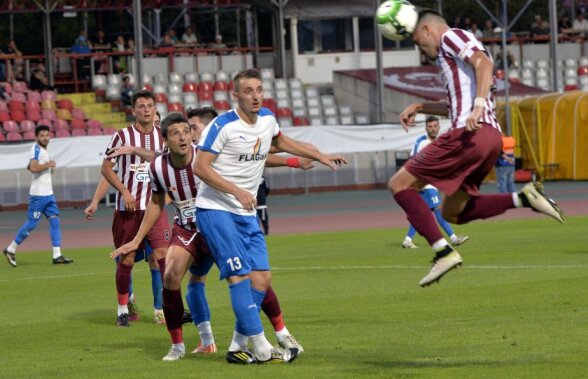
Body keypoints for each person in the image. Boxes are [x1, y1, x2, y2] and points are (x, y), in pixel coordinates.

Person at [389, 9, 565, 288]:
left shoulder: (450, 37)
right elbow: (458, 102)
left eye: (418, 43)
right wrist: (421, 107)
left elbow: (484, 63)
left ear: (426, 31)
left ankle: (443, 252)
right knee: (453, 212)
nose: (421, 51)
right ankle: (524, 199)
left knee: (399, 184)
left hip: (469, 133)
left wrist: (479, 104)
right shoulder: (456, 61)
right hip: (489, 138)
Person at [194, 68, 346, 364]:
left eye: (259, 89)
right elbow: (201, 167)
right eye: (248, 91)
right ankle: (263, 349)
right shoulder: (222, 125)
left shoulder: (267, 121)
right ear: (235, 96)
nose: (255, 96)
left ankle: (237, 346)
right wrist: (236, 190)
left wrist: (317, 155)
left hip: (246, 213)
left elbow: (280, 143)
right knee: (239, 277)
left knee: (261, 278)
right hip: (216, 210)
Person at [184, 107, 311, 356]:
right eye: (188, 129)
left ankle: (263, 337)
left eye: (194, 128)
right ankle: (199, 339)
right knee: (186, 277)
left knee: (258, 279)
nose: (189, 134)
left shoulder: (217, 143)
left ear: (208, 128)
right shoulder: (189, 154)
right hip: (202, 225)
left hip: (231, 218)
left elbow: (262, 152)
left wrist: (294, 160)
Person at [101, 90, 171, 327]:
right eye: (141, 106)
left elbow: (165, 160)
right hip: (128, 209)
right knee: (127, 260)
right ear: (133, 111)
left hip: (154, 207)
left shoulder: (162, 137)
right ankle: (123, 308)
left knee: (163, 257)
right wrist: (124, 190)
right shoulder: (121, 136)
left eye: (150, 105)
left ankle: (166, 308)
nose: (146, 110)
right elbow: (106, 168)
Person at [3, 125, 73, 267]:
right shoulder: (35, 149)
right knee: (32, 223)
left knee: (55, 221)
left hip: (49, 194)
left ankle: (57, 255)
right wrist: (48, 165)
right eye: (42, 135)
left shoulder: (43, 151)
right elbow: (33, 167)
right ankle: (11, 249)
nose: (45, 138)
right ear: (36, 137)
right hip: (39, 195)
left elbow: (31, 167)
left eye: (47, 135)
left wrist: (48, 168)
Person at [401, 116, 469, 249]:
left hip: (432, 182)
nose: (433, 129)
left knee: (421, 213)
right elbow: (412, 160)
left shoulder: (440, 142)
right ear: (426, 128)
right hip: (424, 183)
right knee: (438, 210)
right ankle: (454, 238)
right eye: (430, 126)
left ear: (438, 127)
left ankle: (408, 239)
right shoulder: (421, 142)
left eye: (435, 126)